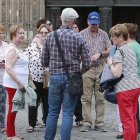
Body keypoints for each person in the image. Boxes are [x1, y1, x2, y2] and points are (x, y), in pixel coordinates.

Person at [41, 8, 92, 140]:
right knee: (68, 113)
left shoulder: (50, 36)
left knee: (52, 112)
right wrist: (77, 72)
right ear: (74, 20)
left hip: (55, 77)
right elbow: (87, 63)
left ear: (61, 19)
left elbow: (43, 61)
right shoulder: (78, 37)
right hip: (72, 78)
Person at [80, 11, 112, 132]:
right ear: (88, 22)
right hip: (87, 69)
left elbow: (110, 49)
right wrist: (85, 57)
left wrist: (100, 53)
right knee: (86, 97)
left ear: (99, 23)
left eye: (96, 24)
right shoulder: (82, 34)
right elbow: (77, 50)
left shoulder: (104, 34)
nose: (94, 26)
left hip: (100, 68)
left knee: (100, 98)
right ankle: (87, 123)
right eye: (92, 24)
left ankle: (99, 123)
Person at [107, 24, 140, 140]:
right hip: (135, 86)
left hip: (124, 89)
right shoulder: (131, 48)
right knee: (133, 118)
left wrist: (110, 63)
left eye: (113, 36)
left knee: (127, 120)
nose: (111, 39)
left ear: (120, 36)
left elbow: (117, 73)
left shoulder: (119, 52)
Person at [3, 25, 29, 140]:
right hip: (13, 84)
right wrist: (19, 83)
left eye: (23, 33)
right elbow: (8, 68)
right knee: (12, 109)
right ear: (14, 34)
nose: (22, 35)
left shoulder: (17, 48)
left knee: (14, 109)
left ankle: (11, 133)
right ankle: (10, 135)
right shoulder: (12, 49)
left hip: (17, 84)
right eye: (20, 33)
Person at [25, 24, 51, 132]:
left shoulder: (51, 46)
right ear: (38, 33)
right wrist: (27, 72)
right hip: (35, 78)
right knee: (33, 101)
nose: (44, 35)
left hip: (48, 78)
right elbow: (24, 60)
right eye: (42, 32)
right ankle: (32, 124)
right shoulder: (32, 46)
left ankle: (47, 122)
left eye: (46, 33)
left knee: (47, 102)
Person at [0, 23, 8, 134]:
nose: (1, 35)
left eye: (2, 33)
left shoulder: (6, 46)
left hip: (3, 78)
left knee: (2, 102)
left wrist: (4, 63)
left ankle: (2, 124)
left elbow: (11, 60)